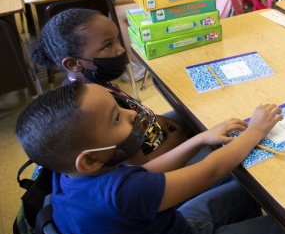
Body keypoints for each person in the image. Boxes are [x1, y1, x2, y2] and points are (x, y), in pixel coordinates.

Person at [15, 81, 285, 234]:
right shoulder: (123, 194)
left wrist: (199, 139)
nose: (133, 113)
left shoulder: (67, 172)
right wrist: (257, 129)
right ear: (88, 160)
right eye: (116, 119)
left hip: (160, 228)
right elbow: (211, 169)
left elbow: (143, 170)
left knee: (253, 188)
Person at [29, 9, 189, 165]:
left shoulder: (89, 83)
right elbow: (141, 170)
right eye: (107, 46)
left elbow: (134, 111)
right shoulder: (98, 108)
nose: (120, 49)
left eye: (117, 40)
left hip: (155, 138)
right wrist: (179, 140)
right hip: (159, 166)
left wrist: (155, 119)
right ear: (73, 63)